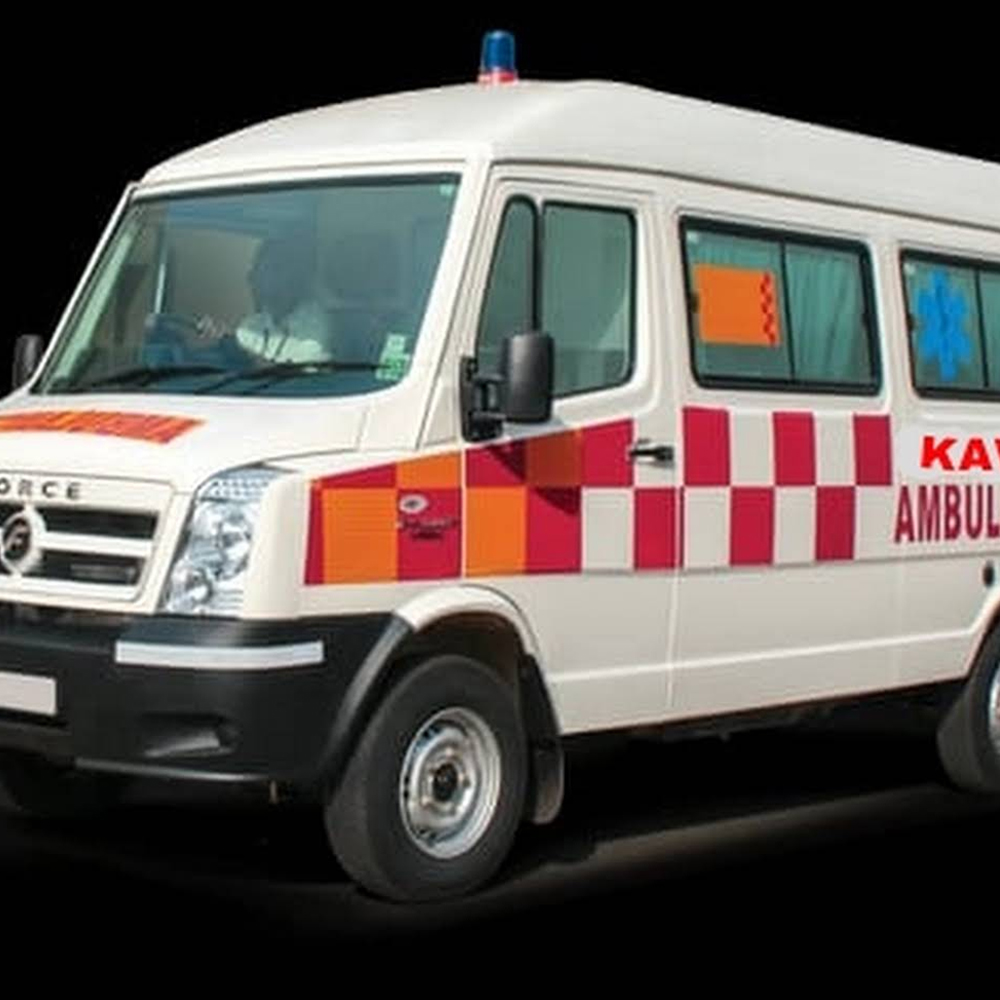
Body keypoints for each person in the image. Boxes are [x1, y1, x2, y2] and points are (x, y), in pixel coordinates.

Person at [194, 230, 332, 365]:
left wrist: (234, 345)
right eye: (256, 269)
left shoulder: (315, 322)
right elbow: (237, 363)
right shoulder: (251, 325)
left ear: (290, 276)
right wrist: (215, 339)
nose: (252, 277)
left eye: (265, 270)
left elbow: (293, 376)